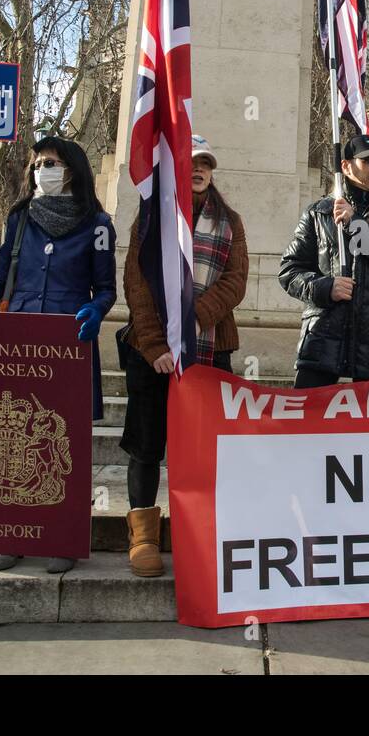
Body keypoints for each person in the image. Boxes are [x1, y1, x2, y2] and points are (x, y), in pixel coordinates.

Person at [0, 135, 116, 573]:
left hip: (69, 342)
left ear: (71, 169)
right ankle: (10, 534)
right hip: (20, 343)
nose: (41, 169)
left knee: (59, 442)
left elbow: (105, 288)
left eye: (50, 162)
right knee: (12, 439)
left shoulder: (98, 224)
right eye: (37, 163)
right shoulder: (20, 218)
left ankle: (63, 538)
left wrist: (96, 308)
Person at [119, 135, 248, 578]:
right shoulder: (153, 216)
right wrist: (156, 344)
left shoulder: (230, 221)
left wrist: (196, 320)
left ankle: (199, 532)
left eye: (206, 165)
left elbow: (235, 282)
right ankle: (143, 535)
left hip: (208, 350)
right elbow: (136, 282)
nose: (198, 171)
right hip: (150, 354)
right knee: (146, 444)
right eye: (191, 164)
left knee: (204, 447)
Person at [279, 132, 369, 387]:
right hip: (323, 344)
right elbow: (289, 270)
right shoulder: (318, 213)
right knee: (310, 419)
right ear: (345, 166)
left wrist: (356, 225)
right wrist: (324, 287)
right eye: (368, 161)